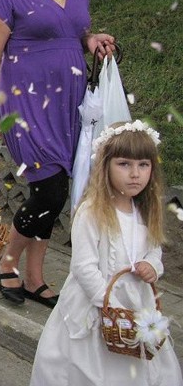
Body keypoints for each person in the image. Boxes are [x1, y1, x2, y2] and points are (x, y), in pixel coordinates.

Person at [0, 0, 116, 308]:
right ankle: (7, 260)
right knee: (49, 190)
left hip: (68, 108)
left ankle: (35, 275)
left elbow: (74, 31)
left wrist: (90, 40)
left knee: (55, 191)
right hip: (26, 105)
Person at [30, 120, 183, 386]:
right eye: (124, 164)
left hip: (136, 306)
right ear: (106, 166)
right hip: (96, 306)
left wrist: (151, 266)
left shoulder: (145, 212)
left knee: (135, 367)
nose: (135, 173)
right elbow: (84, 267)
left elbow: (154, 253)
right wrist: (112, 308)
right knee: (89, 371)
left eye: (143, 165)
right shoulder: (93, 211)